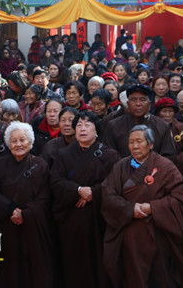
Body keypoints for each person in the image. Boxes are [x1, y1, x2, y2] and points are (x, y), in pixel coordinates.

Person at [101, 125, 183, 288]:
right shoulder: (121, 166)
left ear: (150, 144)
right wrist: (130, 209)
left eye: (139, 141)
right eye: (131, 142)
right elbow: (108, 195)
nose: (134, 146)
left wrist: (153, 208)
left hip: (159, 231)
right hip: (128, 229)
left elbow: (181, 198)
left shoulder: (165, 166)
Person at [49, 112, 120, 288]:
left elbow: (114, 184)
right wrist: (78, 190)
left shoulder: (109, 155)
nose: (82, 129)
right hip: (72, 218)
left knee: (99, 261)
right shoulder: (63, 154)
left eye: (87, 125)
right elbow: (56, 181)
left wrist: (93, 192)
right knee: (74, 263)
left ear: (97, 131)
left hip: (98, 218)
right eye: (79, 125)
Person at [0, 121, 54, 288]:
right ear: (8, 143)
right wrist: (11, 209)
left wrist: (25, 214)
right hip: (6, 222)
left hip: (32, 224)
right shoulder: (0, 164)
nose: (18, 144)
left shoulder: (40, 165)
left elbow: (45, 196)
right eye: (14, 140)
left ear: (30, 142)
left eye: (22, 140)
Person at [103, 84, 175, 160]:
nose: (138, 104)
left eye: (143, 99)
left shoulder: (162, 126)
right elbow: (109, 156)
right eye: (133, 100)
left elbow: (169, 157)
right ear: (128, 104)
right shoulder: (114, 125)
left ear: (149, 104)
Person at [154, 97, 183, 181]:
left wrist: (177, 159)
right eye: (164, 111)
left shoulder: (180, 128)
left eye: (170, 111)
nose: (168, 115)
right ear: (158, 114)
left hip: (177, 167)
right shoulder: (153, 127)